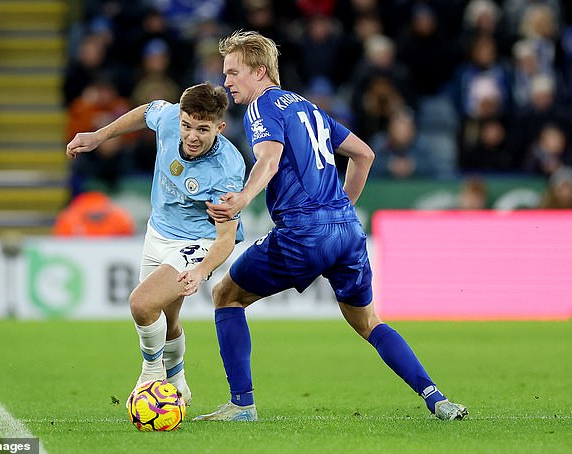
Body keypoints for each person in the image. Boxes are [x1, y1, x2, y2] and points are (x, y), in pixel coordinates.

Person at [195, 30, 467, 422]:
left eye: (233, 72)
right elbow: (364, 154)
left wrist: (241, 199)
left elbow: (268, 161)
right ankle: (436, 398)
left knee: (226, 295)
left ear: (259, 72)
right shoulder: (308, 107)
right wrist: (339, 209)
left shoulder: (261, 108)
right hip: (347, 229)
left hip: (303, 232)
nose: (227, 82)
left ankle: (242, 405)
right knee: (369, 322)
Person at [66, 82, 246, 405]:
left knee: (142, 304)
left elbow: (226, 239)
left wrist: (202, 270)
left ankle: (152, 375)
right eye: (187, 125)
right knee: (168, 320)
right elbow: (145, 113)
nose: (192, 136)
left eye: (203, 130)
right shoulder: (167, 119)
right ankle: (178, 384)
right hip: (157, 233)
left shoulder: (227, 170)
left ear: (220, 127)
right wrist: (98, 136)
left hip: (195, 242)